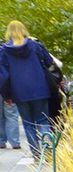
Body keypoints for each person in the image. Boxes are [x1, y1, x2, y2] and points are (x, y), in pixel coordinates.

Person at [0, 21, 56, 162]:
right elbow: (49, 62)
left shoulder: (4, 51)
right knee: (43, 120)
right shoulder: (35, 46)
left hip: (20, 93)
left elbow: (4, 76)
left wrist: (7, 95)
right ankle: (48, 152)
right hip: (40, 89)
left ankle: (37, 154)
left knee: (28, 123)